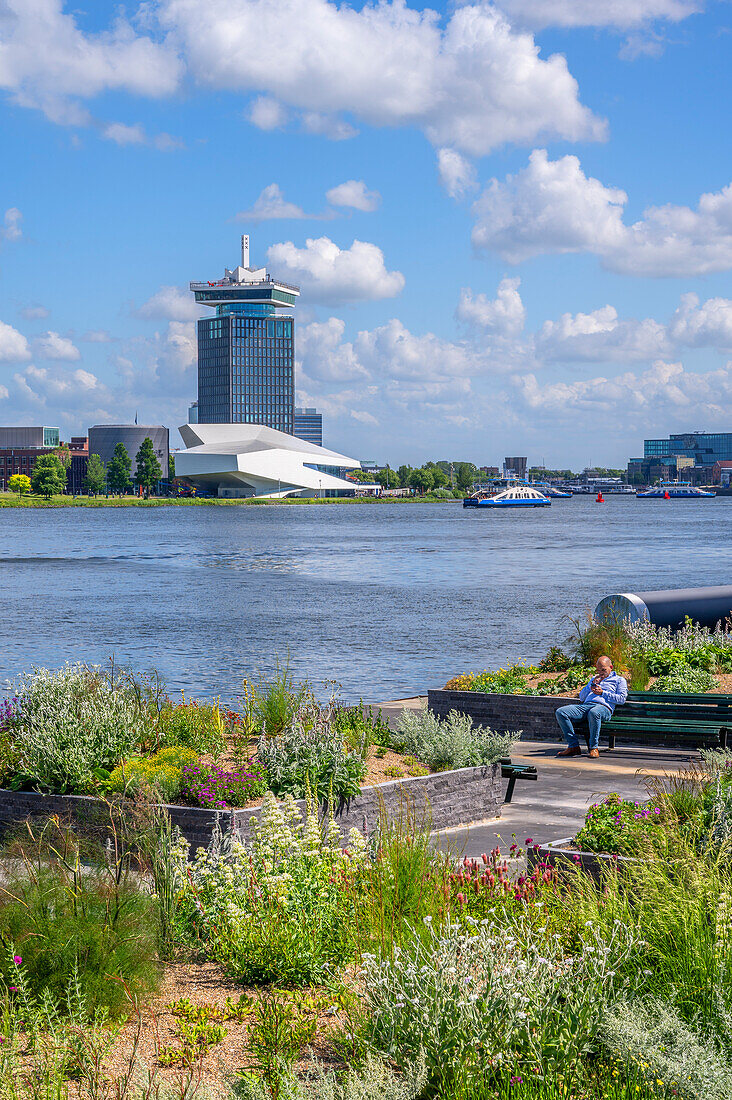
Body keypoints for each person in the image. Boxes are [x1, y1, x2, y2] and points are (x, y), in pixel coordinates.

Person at [555, 656, 627, 759]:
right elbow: (581, 697)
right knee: (561, 712)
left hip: (603, 708)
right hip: (586, 706)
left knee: (594, 712)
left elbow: (621, 699)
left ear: (611, 667)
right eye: (598, 670)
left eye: (603, 670)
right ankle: (573, 746)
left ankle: (594, 747)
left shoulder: (619, 680)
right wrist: (591, 685)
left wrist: (603, 693)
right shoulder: (594, 679)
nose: (601, 673)